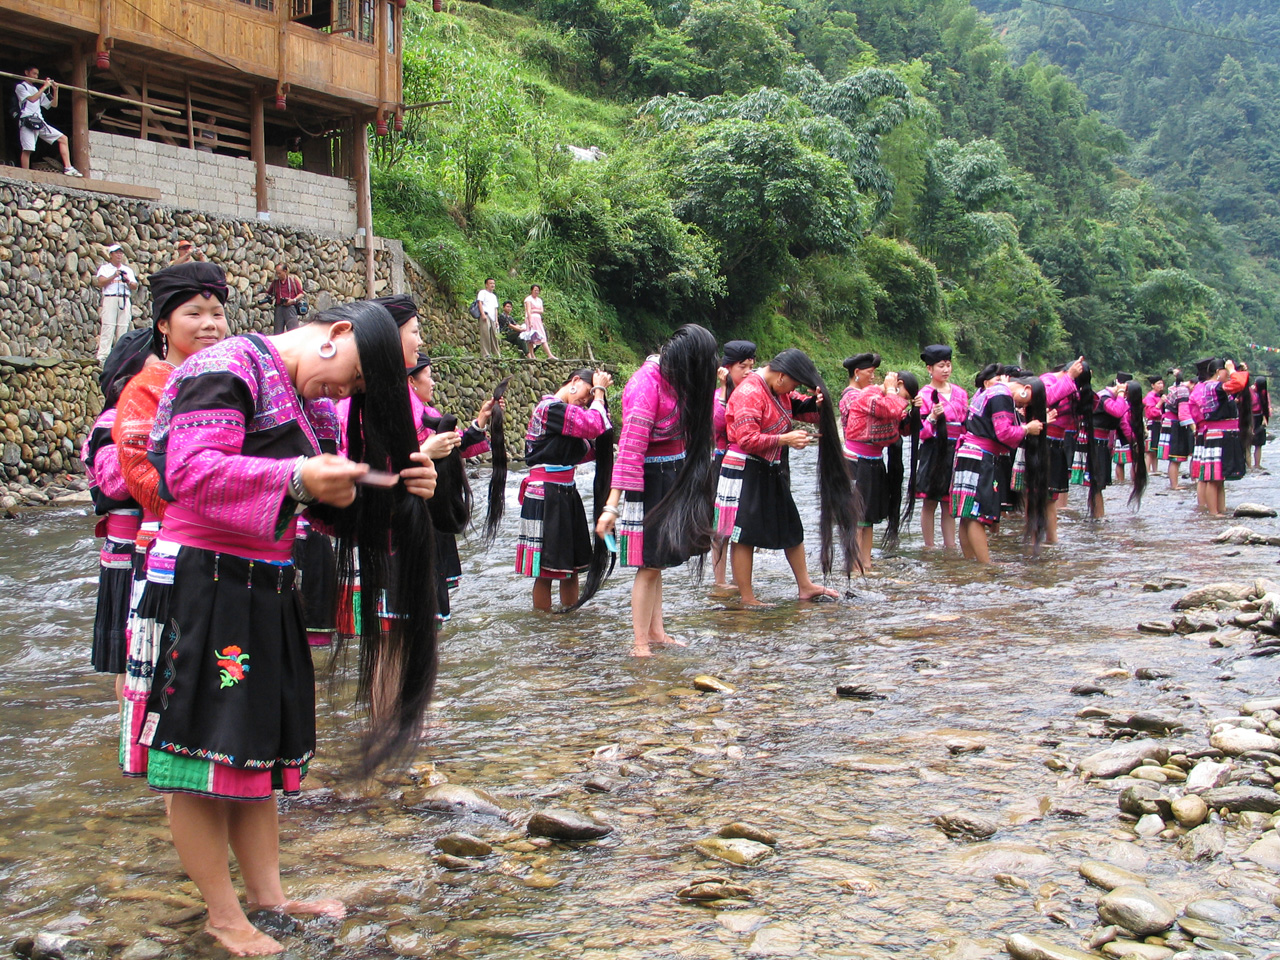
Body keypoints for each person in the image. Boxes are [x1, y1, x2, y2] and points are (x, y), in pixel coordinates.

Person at [135, 299, 440, 956]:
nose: (348, 392)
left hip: (265, 587)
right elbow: (187, 472)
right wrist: (299, 476)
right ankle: (223, 917)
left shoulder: (314, 408)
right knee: (199, 750)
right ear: (337, 334)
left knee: (254, 747)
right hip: (202, 586)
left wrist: (397, 493)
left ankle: (267, 898)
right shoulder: (227, 367)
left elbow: (324, 511)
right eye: (358, 376)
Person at [115, 262, 231, 780]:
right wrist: (219, 505)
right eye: (194, 313)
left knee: (227, 670)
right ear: (163, 324)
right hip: (171, 551)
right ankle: (176, 786)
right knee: (178, 677)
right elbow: (142, 472)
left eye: (217, 313)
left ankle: (227, 771)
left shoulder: (234, 378)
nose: (209, 324)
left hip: (232, 548)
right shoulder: (148, 387)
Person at [595, 325, 718, 656]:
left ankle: (656, 632)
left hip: (672, 477)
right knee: (648, 564)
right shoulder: (645, 385)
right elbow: (630, 450)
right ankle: (639, 642)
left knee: (657, 563)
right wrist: (611, 507)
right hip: (650, 481)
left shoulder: (676, 380)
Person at [714, 349, 856, 605]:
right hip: (744, 469)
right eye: (794, 384)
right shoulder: (749, 392)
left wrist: (818, 402)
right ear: (781, 377)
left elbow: (804, 410)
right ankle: (747, 598)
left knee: (792, 524)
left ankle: (805, 585)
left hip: (769, 467)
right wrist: (784, 439)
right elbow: (746, 439)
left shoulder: (778, 390)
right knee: (743, 534)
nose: (793, 390)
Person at [81, 329, 152, 697]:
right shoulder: (113, 421)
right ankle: (128, 726)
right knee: (130, 656)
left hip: (148, 550)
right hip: (127, 556)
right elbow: (114, 484)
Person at [407, 353, 501, 619]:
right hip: (414, 512)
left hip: (434, 512)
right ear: (411, 381)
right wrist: (425, 451)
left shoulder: (430, 415)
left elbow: (457, 446)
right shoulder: (402, 417)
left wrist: (481, 420)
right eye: (429, 376)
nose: (433, 382)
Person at [516, 368, 613, 611]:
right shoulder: (550, 409)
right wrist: (600, 393)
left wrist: (599, 402)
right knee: (547, 571)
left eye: (590, 398)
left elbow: (593, 440)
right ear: (574, 381)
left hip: (566, 493)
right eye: (587, 392)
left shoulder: (566, 419)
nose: (587, 399)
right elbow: (592, 425)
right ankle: (544, 625)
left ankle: (570, 623)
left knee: (572, 569)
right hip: (546, 494)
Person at [951, 365, 1046, 564]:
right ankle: (985, 566)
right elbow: (1004, 433)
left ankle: (969, 564)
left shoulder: (991, 390)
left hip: (969, 454)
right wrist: (1027, 428)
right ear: (1026, 389)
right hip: (981, 457)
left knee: (967, 514)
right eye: (1027, 402)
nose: (1023, 406)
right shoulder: (1002, 395)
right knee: (977, 514)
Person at [842, 366, 912, 572]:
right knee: (857, 516)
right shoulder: (868, 395)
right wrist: (890, 389)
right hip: (856, 461)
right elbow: (891, 409)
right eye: (905, 396)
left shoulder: (891, 399)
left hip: (874, 460)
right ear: (898, 385)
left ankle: (866, 563)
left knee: (869, 516)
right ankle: (854, 565)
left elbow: (904, 428)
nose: (903, 401)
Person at [710, 340, 756, 594]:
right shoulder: (718, 396)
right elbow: (717, 425)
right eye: (742, 367)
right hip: (722, 463)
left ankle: (741, 579)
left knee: (742, 523)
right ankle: (720, 580)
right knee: (721, 526)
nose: (748, 372)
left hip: (747, 464)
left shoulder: (753, 393)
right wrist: (724, 388)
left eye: (751, 366)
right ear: (727, 369)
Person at [916, 345, 968, 550]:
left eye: (948, 365)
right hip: (933, 450)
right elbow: (921, 432)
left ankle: (950, 546)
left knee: (949, 502)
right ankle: (929, 546)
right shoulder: (924, 395)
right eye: (941, 366)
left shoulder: (961, 394)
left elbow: (966, 424)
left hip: (955, 450)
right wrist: (932, 416)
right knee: (929, 500)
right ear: (929, 369)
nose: (946, 370)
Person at [15, 66, 80, 175]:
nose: (36, 76)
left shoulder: (36, 89)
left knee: (63, 138)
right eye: (34, 73)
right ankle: (25, 175)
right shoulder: (21, 87)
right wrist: (44, 87)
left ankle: (68, 168)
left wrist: (55, 90)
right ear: (26, 72)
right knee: (28, 149)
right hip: (27, 120)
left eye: (37, 74)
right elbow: (32, 99)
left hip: (39, 121)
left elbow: (53, 104)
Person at [94, 243, 139, 362]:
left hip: (124, 298)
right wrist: (114, 276)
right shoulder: (105, 269)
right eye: (116, 253)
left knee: (123, 327)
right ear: (111, 255)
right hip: (110, 297)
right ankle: (103, 356)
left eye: (120, 253)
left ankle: (121, 356)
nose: (119, 255)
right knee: (108, 326)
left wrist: (128, 281)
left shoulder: (127, 270)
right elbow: (100, 282)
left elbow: (134, 286)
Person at [1158, 368, 1193, 490]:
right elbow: (1183, 414)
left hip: (1168, 422)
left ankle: (1174, 484)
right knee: (1175, 457)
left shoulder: (1175, 388)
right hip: (1174, 424)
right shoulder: (1183, 391)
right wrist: (1193, 429)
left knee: (1174, 458)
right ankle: (1174, 485)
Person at [267, 263, 304, 335]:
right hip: (279, 308)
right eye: (277, 273)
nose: (278, 275)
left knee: (293, 332)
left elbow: (301, 294)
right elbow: (269, 293)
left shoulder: (293, 281)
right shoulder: (275, 283)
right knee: (278, 333)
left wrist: (293, 300)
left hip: (290, 308)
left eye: (279, 273)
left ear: (285, 271)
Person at [522, 284, 556, 359]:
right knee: (530, 337)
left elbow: (541, 310)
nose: (536, 292)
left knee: (542, 336)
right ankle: (532, 355)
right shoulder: (528, 299)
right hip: (531, 318)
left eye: (538, 290)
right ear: (532, 290)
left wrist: (534, 310)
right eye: (535, 290)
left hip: (538, 319)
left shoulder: (539, 300)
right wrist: (530, 321)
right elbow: (528, 311)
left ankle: (549, 355)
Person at [1143, 375, 1165, 475]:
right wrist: (1160, 402)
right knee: (1150, 449)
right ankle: (1147, 469)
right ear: (1152, 385)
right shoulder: (1150, 397)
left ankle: (1155, 469)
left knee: (1155, 448)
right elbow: (1151, 413)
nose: (1161, 385)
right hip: (1152, 423)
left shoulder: (1159, 396)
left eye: (1162, 383)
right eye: (1158, 383)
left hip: (1158, 423)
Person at [475, 278, 499, 358]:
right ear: (486, 285)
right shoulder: (483, 292)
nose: (492, 285)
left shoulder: (494, 296)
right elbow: (480, 303)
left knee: (494, 336)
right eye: (490, 283)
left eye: (493, 283)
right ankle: (485, 354)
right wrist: (482, 314)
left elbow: (495, 309)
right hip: (485, 315)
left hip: (493, 317)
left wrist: (496, 320)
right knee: (485, 334)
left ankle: (496, 353)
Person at [1252, 376, 1270, 470]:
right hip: (1250, 417)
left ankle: (1257, 464)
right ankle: (1248, 465)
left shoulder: (1264, 393)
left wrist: (1265, 418)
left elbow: (1266, 406)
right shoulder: (1250, 392)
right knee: (1247, 442)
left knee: (1259, 444)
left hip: (1260, 418)